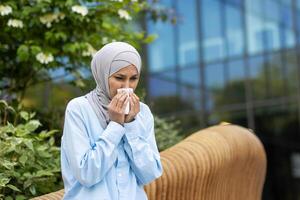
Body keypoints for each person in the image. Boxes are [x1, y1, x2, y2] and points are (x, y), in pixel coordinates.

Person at [60, 42, 163, 200]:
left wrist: (131, 125)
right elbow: (86, 174)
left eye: (134, 79)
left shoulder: (142, 112)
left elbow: (150, 173)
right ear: (102, 73)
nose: (127, 86)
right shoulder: (79, 109)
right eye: (119, 78)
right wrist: (115, 126)